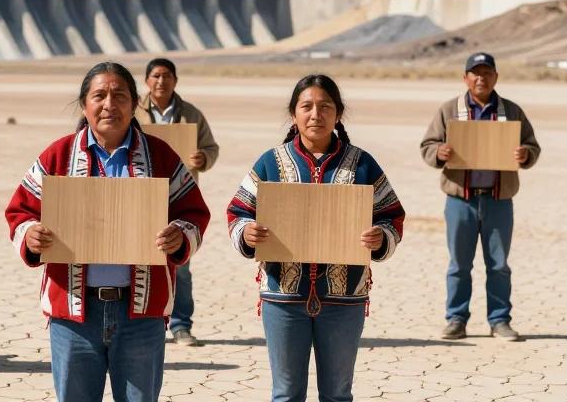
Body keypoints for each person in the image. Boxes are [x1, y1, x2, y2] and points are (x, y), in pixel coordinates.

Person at [5, 61, 210, 402]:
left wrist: (180, 235)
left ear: (134, 104)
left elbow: (194, 212)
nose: (109, 105)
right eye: (99, 95)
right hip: (73, 315)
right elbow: (20, 210)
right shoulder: (58, 155)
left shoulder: (160, 156)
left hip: (140, 314)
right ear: (84, 104)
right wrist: (30, 235)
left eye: (120, 96)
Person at [226, 74, 405, 402]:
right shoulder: (271, 162)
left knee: (337, 394)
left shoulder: (362, 164)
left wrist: (381, 237)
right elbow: (238, 211)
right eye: (306, 106)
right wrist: (247, 232)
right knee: (286, 394)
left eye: (325, 107)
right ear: (293, 113)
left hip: (344, 299)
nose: (316, 114)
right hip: (282, 298)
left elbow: (392, 214)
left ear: (338, 114)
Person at [420, 52, 540, 342]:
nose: (481, 78)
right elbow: (427, 145)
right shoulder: (450, 110)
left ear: (496, 77)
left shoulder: (511, 112)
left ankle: (499, 321)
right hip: (460, 201)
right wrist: (440, 152)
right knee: (459, 265)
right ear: (465, 78)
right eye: (475, 73)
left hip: (499, 201)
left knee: (498, 265)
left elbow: (532, 146)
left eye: (487, 73)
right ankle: (456, 319)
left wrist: (525, 155)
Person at [137, 57, 219, 347]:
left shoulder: (191, 114)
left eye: (167, 76)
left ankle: (182, 326)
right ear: (147, 80)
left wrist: (203, 158)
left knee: (180, 264)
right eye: (156, 76)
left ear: (175, 80)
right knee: (140, 261)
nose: (161, 81)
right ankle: (145, 325)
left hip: (177, 197)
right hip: (141, 198)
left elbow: (211, 147)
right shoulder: (134, 111)